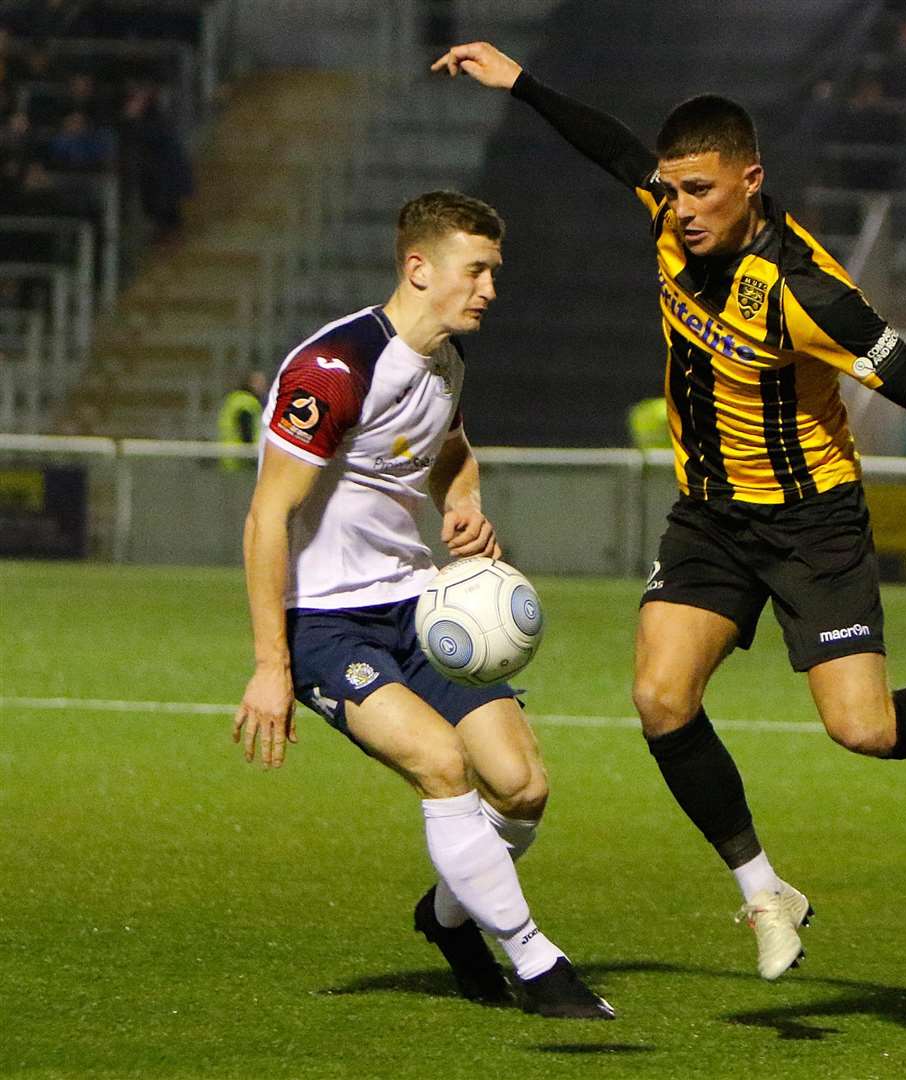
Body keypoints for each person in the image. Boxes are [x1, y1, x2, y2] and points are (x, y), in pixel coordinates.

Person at [434, 43, 906, 983]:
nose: (681, 209)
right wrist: (519, 81)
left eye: (701, 191)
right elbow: (608, 145)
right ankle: (764, 889)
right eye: (673, 190)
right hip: (713, 519)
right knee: (659, 697)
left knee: (864, 730)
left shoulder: (810, 294)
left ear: (750, 181)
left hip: (814, 525)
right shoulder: (668, 217)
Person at [232, 190, 614, 1020]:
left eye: (492, 272)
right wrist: (272, 665)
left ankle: (446, 918)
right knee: (442, 765)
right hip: (327, 623)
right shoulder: (334, 371)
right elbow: (269, 514)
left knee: (521, 787)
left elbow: (449, 451)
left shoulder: (446, 362)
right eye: (476, 271)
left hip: (416, 606)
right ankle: (537, 963)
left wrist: (463, 500)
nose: (489, 289)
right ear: (419, 267)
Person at [216, 369, 268, 472]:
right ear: (250, 383)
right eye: (259, 382)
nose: (263, 386)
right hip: (241, 458)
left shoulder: (234, 399)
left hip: (229, 456)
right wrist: (252, 455)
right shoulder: (247, 402)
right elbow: (246, 429)